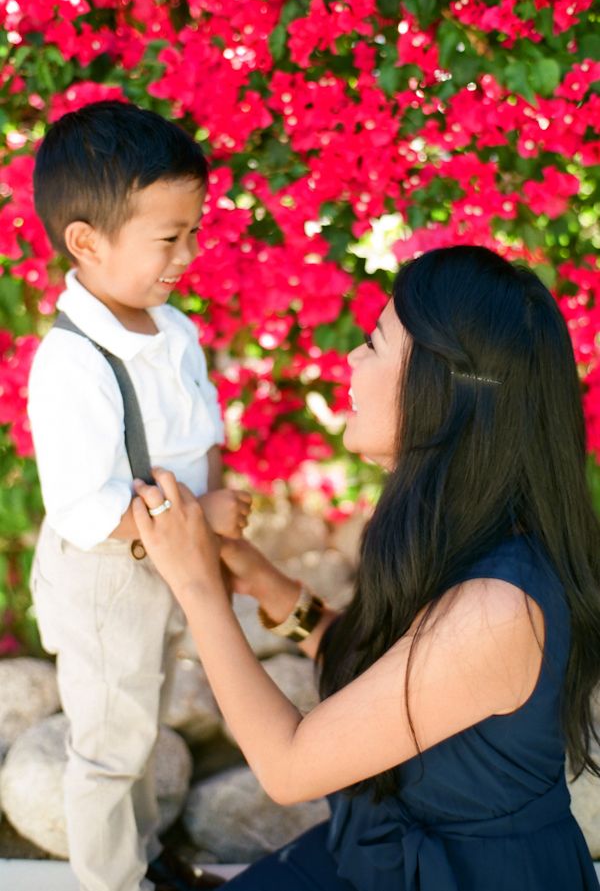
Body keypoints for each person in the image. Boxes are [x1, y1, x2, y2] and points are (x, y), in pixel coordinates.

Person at [132, 245, 600, 891]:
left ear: (437, 384)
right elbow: (385, 679)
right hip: (379, 853)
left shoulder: (499, 606)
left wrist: (197, 588)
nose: (352, 359)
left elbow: (290, 766)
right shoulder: (458, 530)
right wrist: (269, 586)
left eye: (375, 344)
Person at [27, 100, 251, 891]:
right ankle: (109, 882)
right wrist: (197, 521)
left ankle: (144, 857)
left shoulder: (172, 326)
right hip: (106, 577)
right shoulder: (74, 364)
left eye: (193, 231)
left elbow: (202, 429)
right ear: (86, 242)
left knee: (141, 723)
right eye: (169, 237)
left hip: (164, 561)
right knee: (109, 740)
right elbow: (87, 508)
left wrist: (213, 522)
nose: (187, 253)